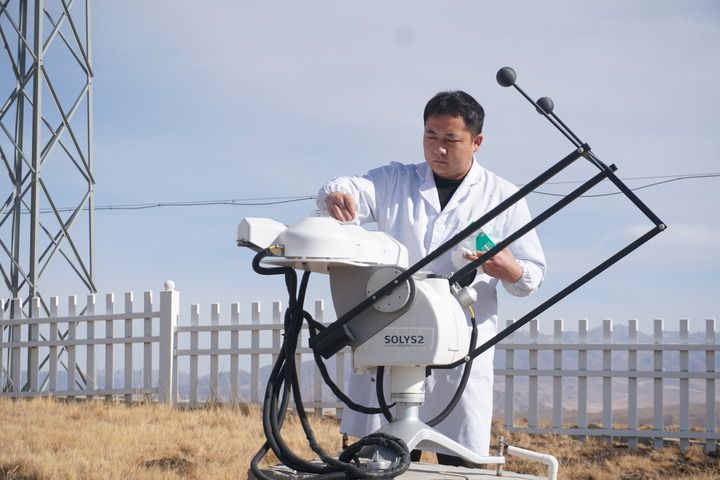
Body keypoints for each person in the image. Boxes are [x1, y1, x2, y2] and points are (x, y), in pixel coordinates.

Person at [316, 90, 546, 466]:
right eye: (430, 136)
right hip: (394, 331)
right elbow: (350, 189)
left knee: (459, 460)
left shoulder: (503, 196)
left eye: (451, 140)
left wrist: (511, 270)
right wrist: (335, 196)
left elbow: (531, 274)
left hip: (460, 342)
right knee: (382, 460)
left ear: (476, 142)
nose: (438, 149)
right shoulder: (396, 180)